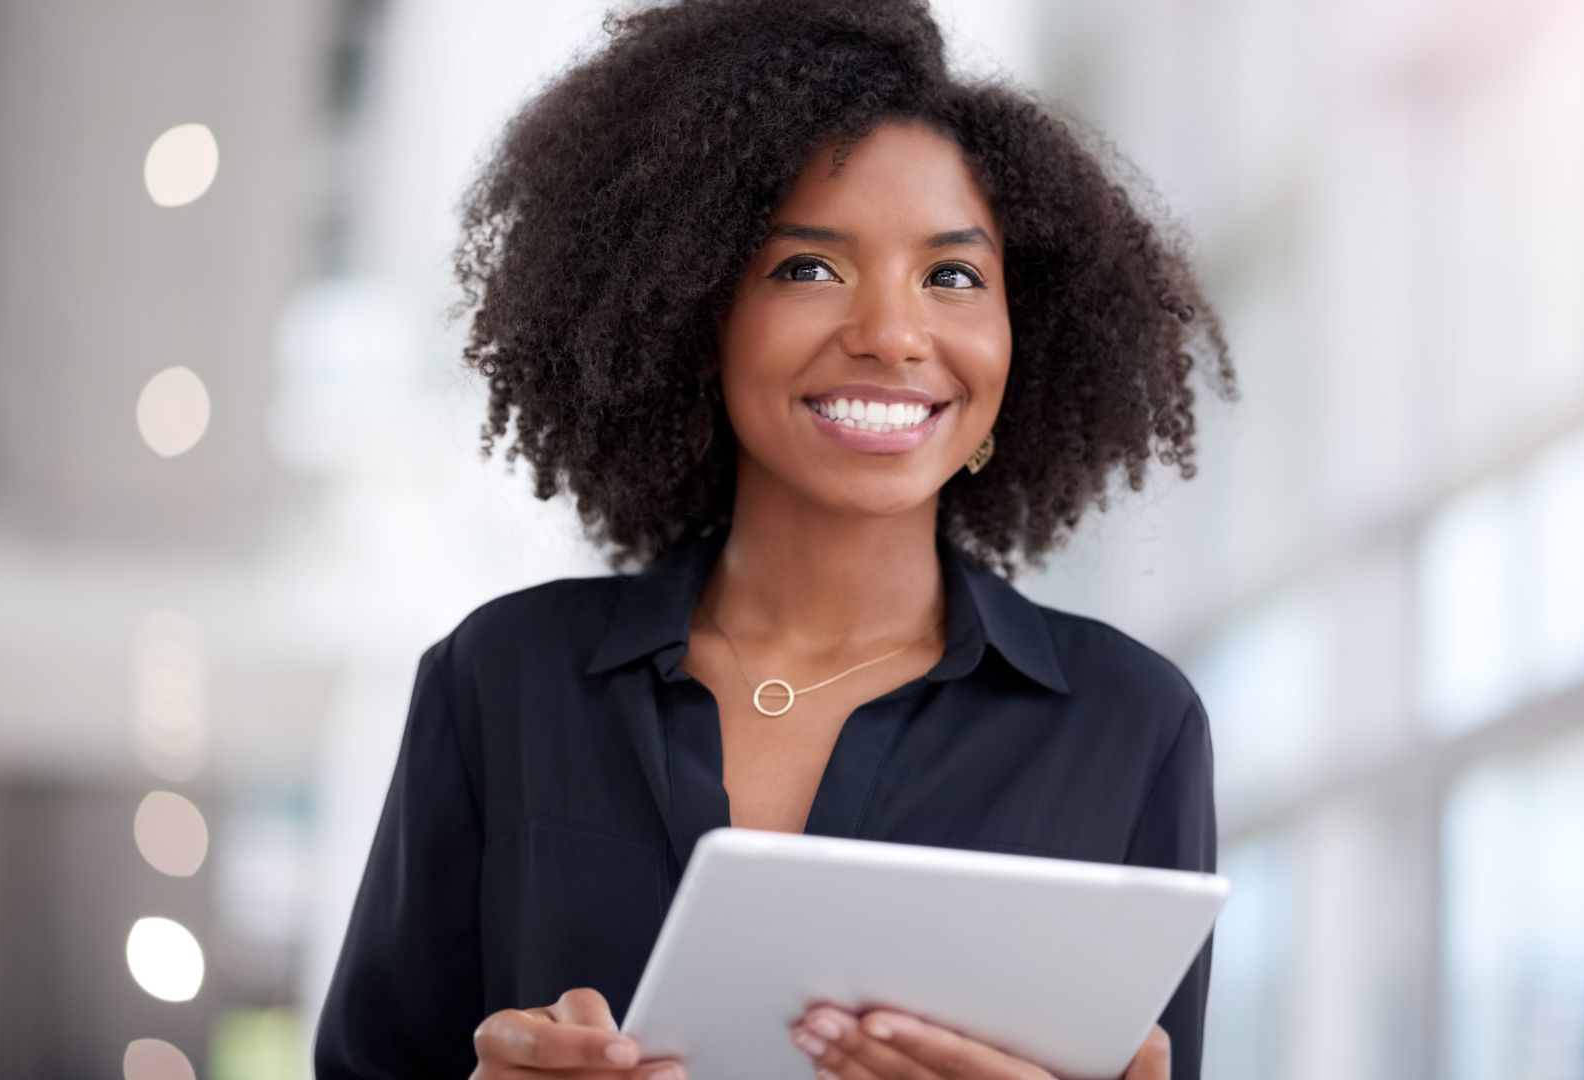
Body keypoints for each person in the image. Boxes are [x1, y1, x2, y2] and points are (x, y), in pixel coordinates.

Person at [315, 1, 1238, 1078]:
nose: (894, 335)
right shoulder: (505, 681)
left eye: (953, 277)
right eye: (809, 269)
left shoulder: (1130, 725)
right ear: (692, 311)